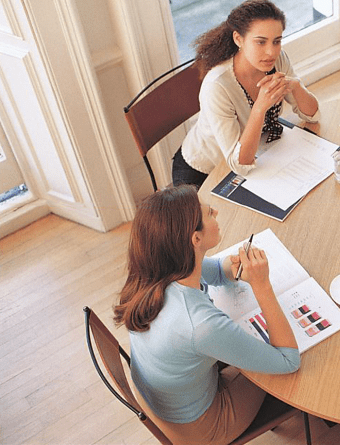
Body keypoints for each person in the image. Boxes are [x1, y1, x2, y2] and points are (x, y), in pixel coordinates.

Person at [114, 185, 300, 445]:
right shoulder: (199, 325)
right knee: (296, 367)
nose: (216, 211)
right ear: (196, 240)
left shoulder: (159, 268)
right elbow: (288, 360)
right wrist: (262, 286)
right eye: (209, 213)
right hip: (202, 427)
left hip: (166, 399)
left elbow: (213, 272)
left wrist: (236, 267)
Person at [172, 0, 320, 188]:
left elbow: (313, 115)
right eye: (260, 42)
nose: (271, 52)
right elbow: (239, 164)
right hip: (204, 171)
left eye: (277, 41)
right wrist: (260, 107)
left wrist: (296, 87)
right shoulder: (217, 86)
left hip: (254, 153)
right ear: (238, 39)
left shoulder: (277, 60)